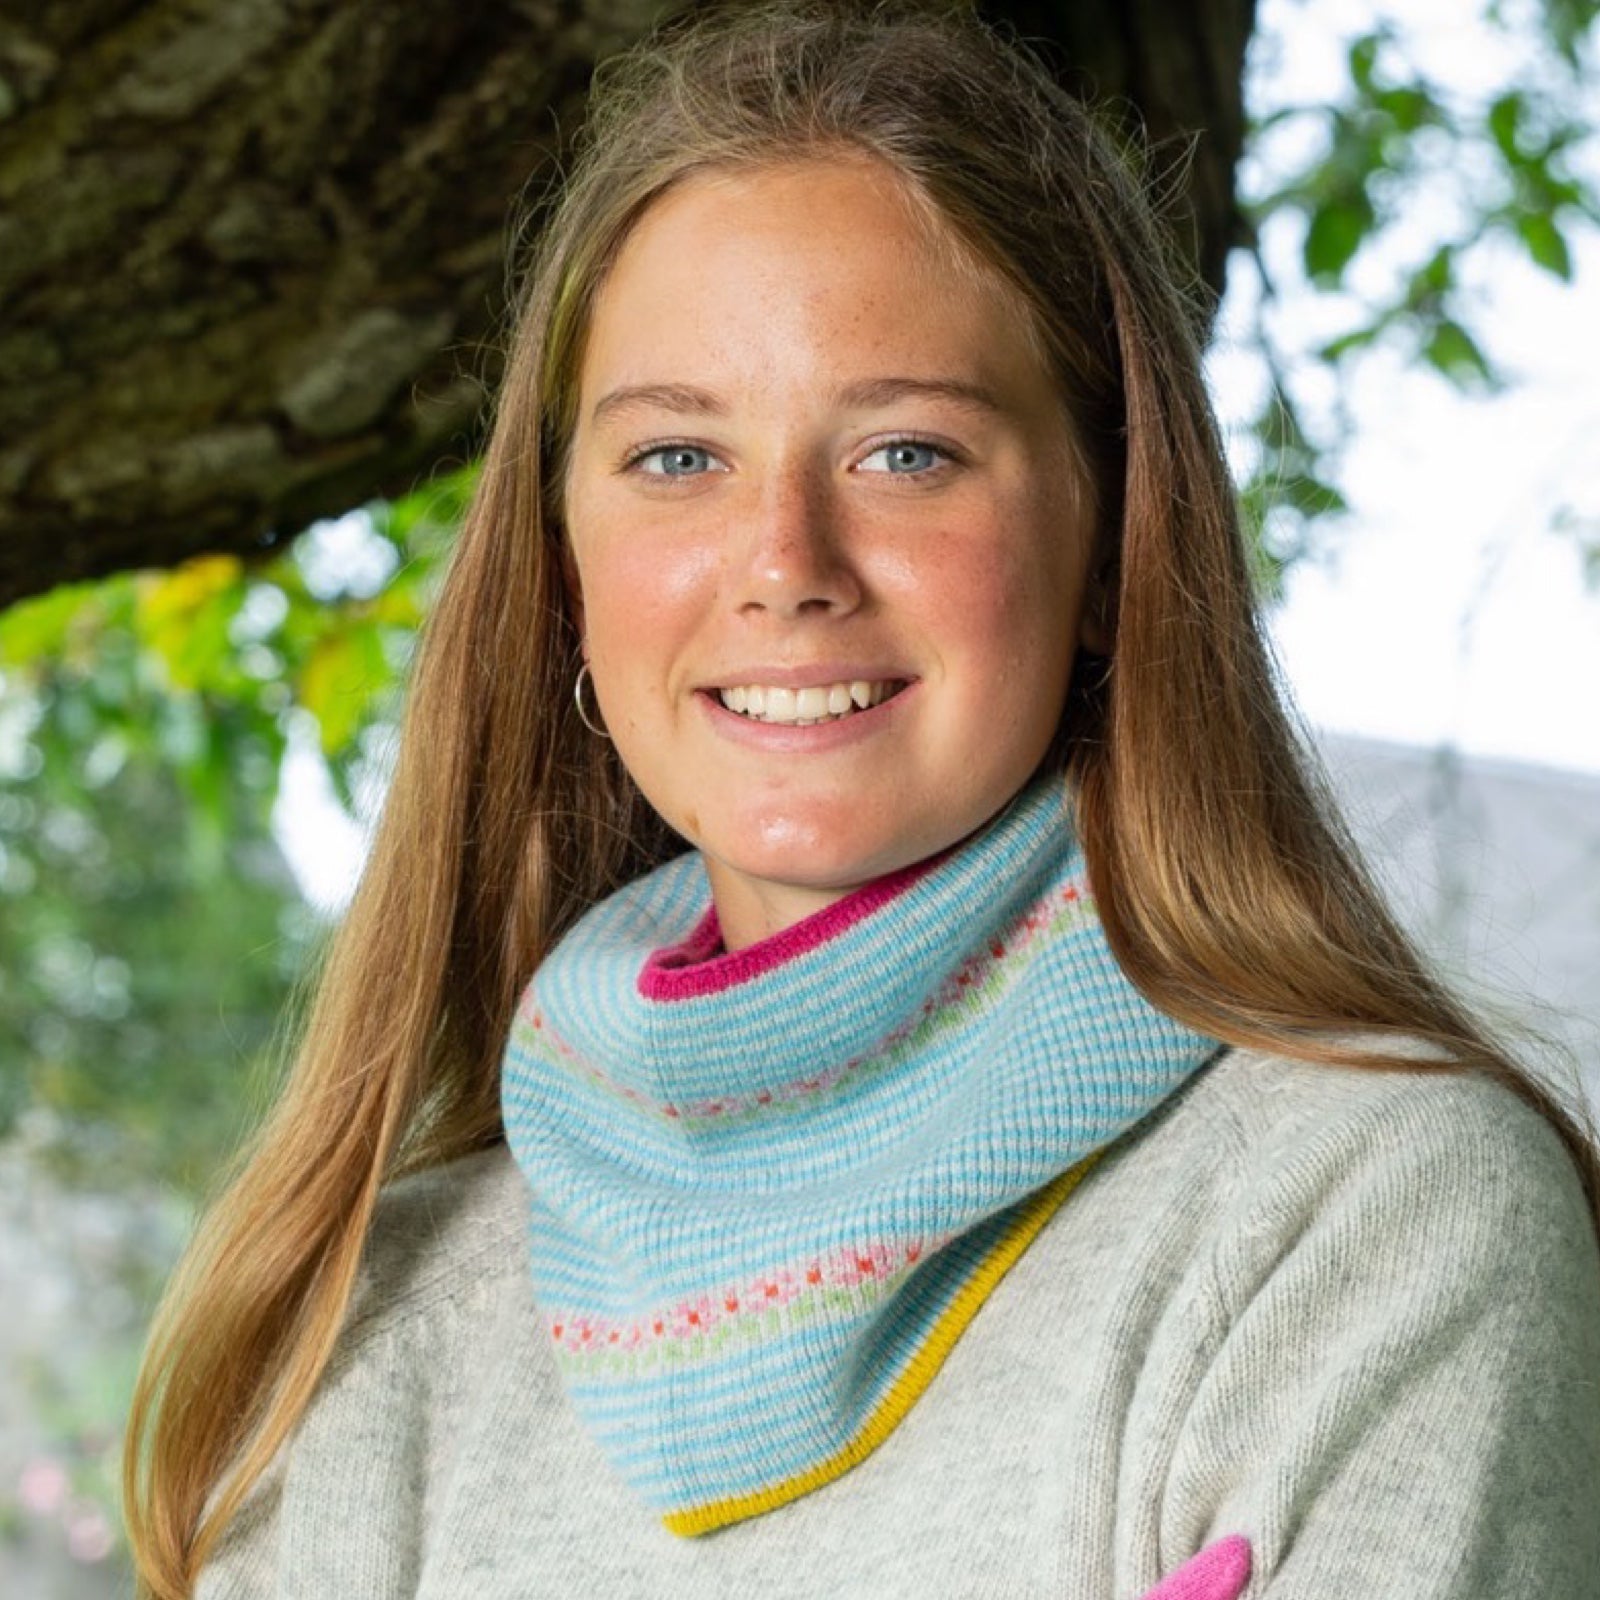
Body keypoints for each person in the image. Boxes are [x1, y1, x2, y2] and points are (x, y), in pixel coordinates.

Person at [122, 4, 1600, 1597]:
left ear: (1110, 544)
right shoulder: (375, 1321)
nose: (784, 567)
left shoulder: (1370, 1218)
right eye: (678, 459)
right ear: (563, 577)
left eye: (906, 453)